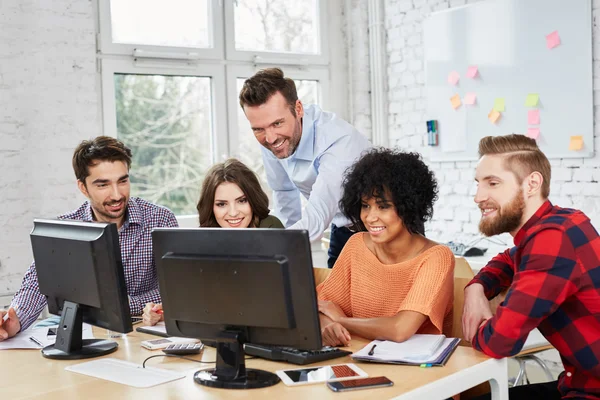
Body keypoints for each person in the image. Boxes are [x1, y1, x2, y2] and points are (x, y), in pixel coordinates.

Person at [462, 134, 600, 400]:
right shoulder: (560, 222)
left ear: (532, 184)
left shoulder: (553, 238)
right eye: (478, 183)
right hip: (577, 383)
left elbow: (500, 340)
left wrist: (480, 323)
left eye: (493, 183)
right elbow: (508, 258)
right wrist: (476, 288)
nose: (478, 196)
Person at [0, 136, 178, 341]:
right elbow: (36, 284)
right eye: (103, 185)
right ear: (83, 187)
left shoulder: (159, 219)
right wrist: (16, 319)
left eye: (123, 181)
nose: (117, 194)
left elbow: (178, 286)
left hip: (144, 330)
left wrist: (131, 305)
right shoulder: (65, 230)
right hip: (85, 331)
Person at [316, 148, 454, 347]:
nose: (370, 217)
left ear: (408, 207)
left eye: (383, 206)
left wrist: (342, 321)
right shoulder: (356, 245)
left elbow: (400, 330)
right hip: (357, 358)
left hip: (417, 368)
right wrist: (328, 325)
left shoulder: (436, 257)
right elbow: (323, 308)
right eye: (365, 205)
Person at [239, 68, 372, 268]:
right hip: (342, 225)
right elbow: (283, 191)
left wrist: (268, 248)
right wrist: (286, 257)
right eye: (258, 129)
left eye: (277, 123)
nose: (270, 138)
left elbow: (317, 215)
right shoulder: (272, 140)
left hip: (385, 228)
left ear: (298, 109)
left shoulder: (336, 141)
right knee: (332, 296)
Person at [143, 158, 283, 325]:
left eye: (242, 201)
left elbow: (263, 300)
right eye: (222, 204)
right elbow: (202, 302)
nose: (233, 213)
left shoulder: (270, 227)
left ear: (253, 200)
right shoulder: (206, 239)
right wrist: (164, 312)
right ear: (211, 208)